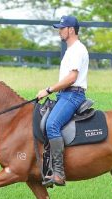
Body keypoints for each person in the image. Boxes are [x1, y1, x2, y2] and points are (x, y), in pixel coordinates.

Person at [37, 15, 89, 187]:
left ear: (71, 30)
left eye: (61, 28)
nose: (59, 31)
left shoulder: (77, 50)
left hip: (73, 95)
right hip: (65, 95)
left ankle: (58, 173)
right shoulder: (70, 50)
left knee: (52, 124)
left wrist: (48, 90)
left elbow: (72, 78)